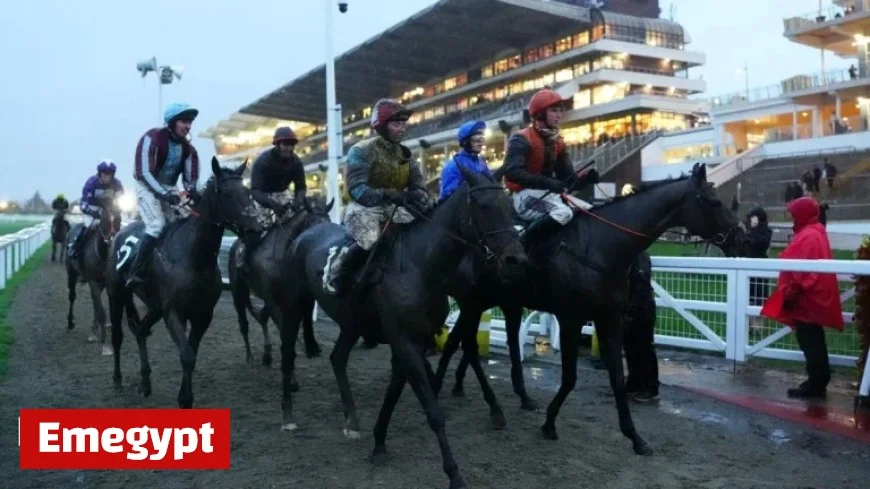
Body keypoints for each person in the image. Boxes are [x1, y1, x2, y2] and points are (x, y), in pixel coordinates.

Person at [321, 98, 431, 296]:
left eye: (403, 124)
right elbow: (357, 190)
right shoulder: (361, 150)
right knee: (371, 239)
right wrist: (389, 194)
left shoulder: (407, 155)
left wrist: (415, 197)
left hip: (395, 208)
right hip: (364, 208)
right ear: (382, 126)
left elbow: (420, 189)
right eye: (396, 124)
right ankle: (340, 271)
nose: (401, 128)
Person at [761, 196, 844, 399]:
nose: (791, 218)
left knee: (810, 341)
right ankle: (817, 379)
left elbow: (802, 271)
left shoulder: (809, 235)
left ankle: (816, 385)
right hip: (811, 298)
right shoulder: (814, 232)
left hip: (807, 300)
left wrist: (789, 293)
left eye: (793, 214)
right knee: (813, 340)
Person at [502, 88, 599, 245]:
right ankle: (523, 245)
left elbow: (567, 180)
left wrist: (586, 180)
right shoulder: (521, 139)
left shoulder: (558, 143)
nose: (559, 115)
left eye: (560, 110)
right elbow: (512, 172)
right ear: (540, 114)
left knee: (591, 212)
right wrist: (547, 183)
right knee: (563, 213)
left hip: (547, 195)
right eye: (554, 110)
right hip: (522, 197)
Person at [126, 102, 201, 287]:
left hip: (170, 188)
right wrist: (164, 194)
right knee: (157, 225)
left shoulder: (188, 149)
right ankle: (136, 271)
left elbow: (190, 181)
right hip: (146, 186)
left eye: (190, 122)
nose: (188, 126)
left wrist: (194, 193)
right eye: (184, 121)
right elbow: (144, 173)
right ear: (172, 122)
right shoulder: (151, 137)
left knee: (189, 222)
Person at [239, 126, 307, 273]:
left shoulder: (296, 162)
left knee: (300, 223)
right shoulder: (262, 161)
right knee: (257, 229)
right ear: (277, 145)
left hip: (283, 194)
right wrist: (272, 205)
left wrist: (297, 202)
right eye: (285, 145)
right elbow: (255, 191)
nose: (288, 148)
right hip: (263, 197)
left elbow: (301, 187)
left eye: (291, 145)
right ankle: (244, 257)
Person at [68, 160, 125, 260]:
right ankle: (75, 248)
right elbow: (84, 204)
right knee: (89, 225)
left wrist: (118, 208)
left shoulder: (117, 184)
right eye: (104, 173)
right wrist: (93, 213)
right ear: (100, 173)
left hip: (108, 208)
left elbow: (120, 199)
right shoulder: (91, 183)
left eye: (110, 174)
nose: (107, 176)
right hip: (92, 207)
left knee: (117, 225)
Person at [623, 250, 660, 402]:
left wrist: (632, 308)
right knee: (630, 347)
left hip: (642, 308)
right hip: (631, 306)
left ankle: (650, 387)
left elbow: (642, 284)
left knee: (644, 347)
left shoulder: (639, 256)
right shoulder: (632, 255)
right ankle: (634, 382)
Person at [438, 120, 493, 202]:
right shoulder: (453, 166)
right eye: (476, 140)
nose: (480, 143)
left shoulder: (482, 163)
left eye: (482, 139)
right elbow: (449, 198)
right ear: (465, 142)